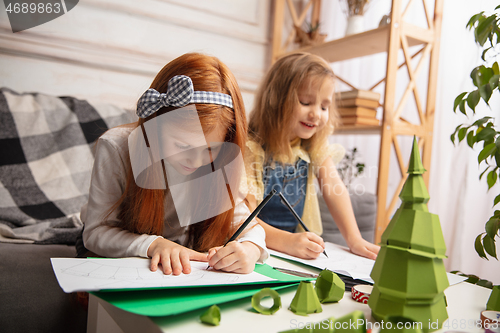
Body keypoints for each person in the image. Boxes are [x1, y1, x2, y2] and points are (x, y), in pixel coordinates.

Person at [79, 53, 268, 276]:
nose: (196, 161)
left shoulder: (223, 161)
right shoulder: (117, 147)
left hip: (181, 265)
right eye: (182, 146)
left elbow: (248, 226)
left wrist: (250, 250)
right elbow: (95, 232)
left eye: (210, 150)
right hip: (123, 257)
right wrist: (154, 245)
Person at [245, 52, 379, 260]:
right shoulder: (251, 149)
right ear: (275, 100)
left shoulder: (312, 146)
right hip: (252, 246)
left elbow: (334, 189)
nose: (316, 113)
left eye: (324, 106)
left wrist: (354, 239)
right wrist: (287, 242)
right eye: (306, 102)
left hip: (291, 249)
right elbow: (244, 218)